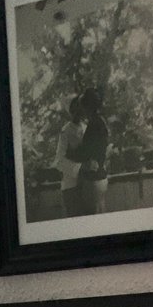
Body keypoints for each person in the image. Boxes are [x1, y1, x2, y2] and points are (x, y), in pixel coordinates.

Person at [74, 87, 110, 215]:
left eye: (83, 106)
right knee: (100, 210)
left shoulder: (94, 124)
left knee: (94, 213)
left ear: (87, 107)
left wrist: (77, 152)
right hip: (100, 175)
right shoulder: (100, 122)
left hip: (94, 177)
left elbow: (89, 151)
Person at [53, 96, 84, 218]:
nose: (79, 111)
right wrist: (79, 169)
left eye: (80, 107)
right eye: (75, 109)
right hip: (71, 186)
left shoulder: (86, 128)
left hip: (87, 185)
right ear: (70, 112)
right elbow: (59, 161)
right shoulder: (65, 131)